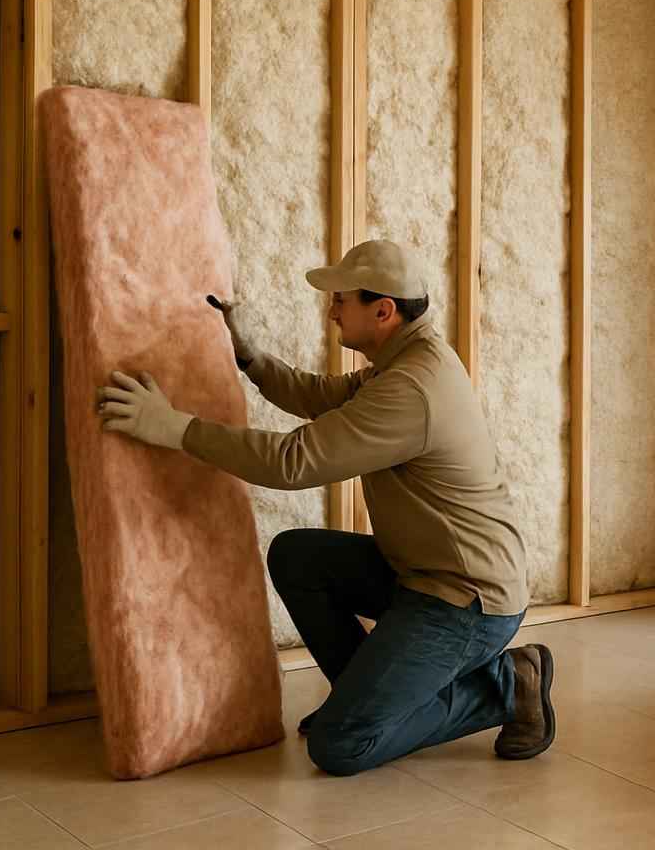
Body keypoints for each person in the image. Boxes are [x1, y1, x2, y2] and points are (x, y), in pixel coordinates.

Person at [94, 239, 555, 777]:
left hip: (467, 603)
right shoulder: (404, 358)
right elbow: (319, 396)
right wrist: (250, 357)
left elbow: (295, 461)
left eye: (342, 300)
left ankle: (507, 685)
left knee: (341, 746)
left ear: (383, 311)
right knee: (298, 556)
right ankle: (365, 698)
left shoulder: (412, 388)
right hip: (423, 576)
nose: (331, 309)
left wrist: (176, 429)